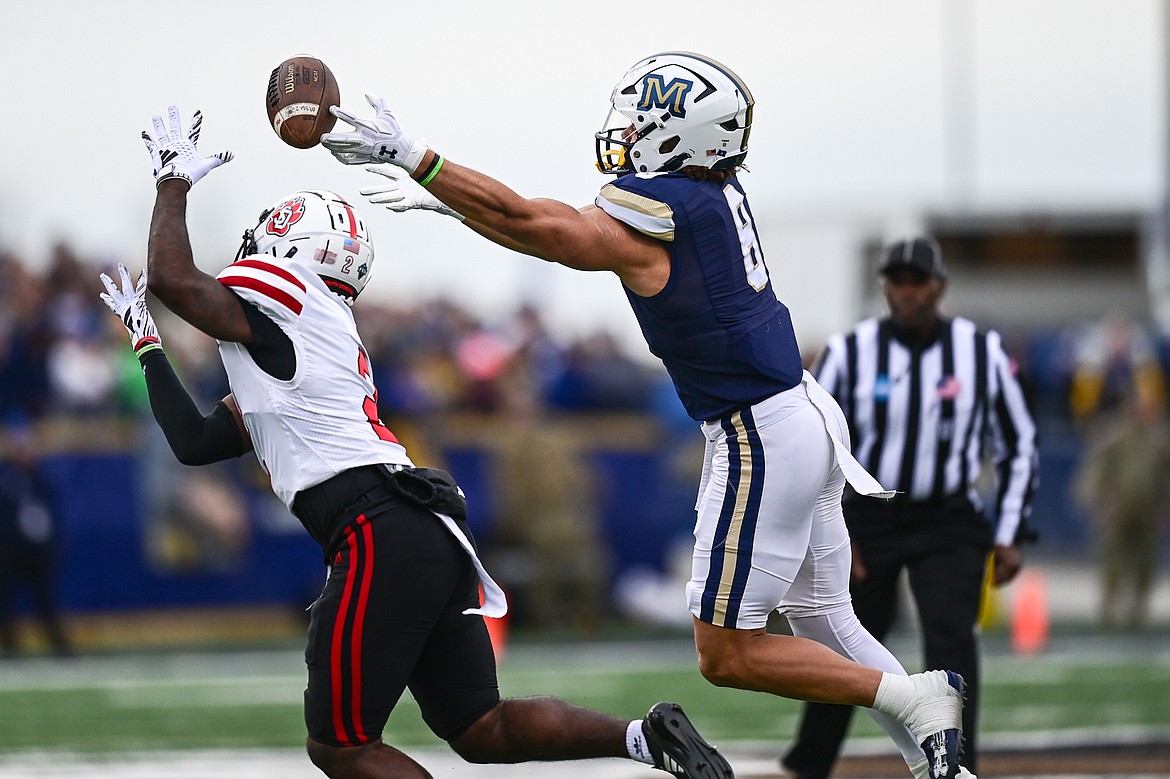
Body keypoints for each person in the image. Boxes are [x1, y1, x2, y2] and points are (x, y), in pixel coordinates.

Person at [321, 52, 975, 779]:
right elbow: (554, 233)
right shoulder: (706, 197)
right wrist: (459, 203)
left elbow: (547, 226)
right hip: (800, 410)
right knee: (830, 620)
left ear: (680, 133)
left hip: (756, 430)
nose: (628, 131)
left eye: (644, 118)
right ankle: (937, 763)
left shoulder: (664, 207)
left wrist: (419, 159)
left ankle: (916, 696)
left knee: (726, 653)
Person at [98, 104, 733, 779]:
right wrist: (148, 345)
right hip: (417, 524)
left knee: (341, 743)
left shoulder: (287, 290)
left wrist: (172, 181)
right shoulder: (313, 332)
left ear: (286, 244)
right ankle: (644, 737)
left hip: (375, 527)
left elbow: (172, 276)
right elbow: (196, 441)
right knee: (479, 726)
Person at [781, 236, 1039, 777]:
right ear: (885, 288)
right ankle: (811, 764)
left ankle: (957, 766)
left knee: (950, 639)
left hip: (948, 517)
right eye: (897, 283)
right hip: (871, 517)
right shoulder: (851, 351)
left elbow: (1019, 443)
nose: (907, 293)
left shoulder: (980, 352)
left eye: (917, 283)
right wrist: (825, 533)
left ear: (939, 287)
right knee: (843, 643)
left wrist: (1012, 531)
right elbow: (811, 439)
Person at [1073, 380, 1170, 630]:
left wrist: (1164, 508)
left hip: (1148, 508)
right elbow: (1095, 471)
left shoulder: (1160, 439)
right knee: (1112, 561)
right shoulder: (1114, 435)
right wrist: (1099, 502)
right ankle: (1109, 609)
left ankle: (1138, 610)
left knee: (1146, 562)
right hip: (1118, 507)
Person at [0, 418, 71, 657]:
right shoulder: (6, 477)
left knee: (45, 600)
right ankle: (11, 648)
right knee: (6, 601)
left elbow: (51, 514)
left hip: (37, 549)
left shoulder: (41, 478)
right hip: (9, 548)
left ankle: (59, 648)